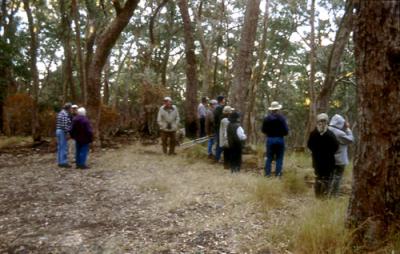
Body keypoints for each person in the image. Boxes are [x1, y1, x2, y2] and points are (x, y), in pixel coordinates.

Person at [307, 113, 339, 198]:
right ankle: (324, 196)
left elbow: (309, 145)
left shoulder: (313, 133)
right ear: (327, 121)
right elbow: (336, 147)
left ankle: (318, 195)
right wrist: (329, 153)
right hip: (328, 161)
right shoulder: (330, 134)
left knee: (318, 177)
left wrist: (315, 151)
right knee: (327, 178)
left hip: (317, 160)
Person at [328, 114, 354, 197]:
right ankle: (333, 195)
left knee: (329, 177)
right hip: (339, 160)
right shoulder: (340, 133)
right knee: (337, 177)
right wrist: (348, 128)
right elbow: (350, 139)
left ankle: (326, 194)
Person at [261, 101, 289, 177]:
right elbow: (286, 131)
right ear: (278, 109)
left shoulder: (266, 119)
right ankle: (278, 175)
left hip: (270, 139)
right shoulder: (282, 119)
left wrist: (269, 133)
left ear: (271, 109)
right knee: (279, 158)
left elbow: (263, 130)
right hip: (280, 139)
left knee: (269, 157)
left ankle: (267, 174)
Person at [56, 102, 72, 168]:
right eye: (71, 108)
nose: (71, 109)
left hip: (58, 130)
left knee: (60, 147)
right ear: (68, 108)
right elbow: (65, 125)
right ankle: (63, 162)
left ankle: (60, 161)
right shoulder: (65, 114)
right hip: (62, 131)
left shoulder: (60, 113)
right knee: (63, 147)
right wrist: (67, 133)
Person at [213, 95, 226, 162]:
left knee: (220, 142)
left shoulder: (218, 107)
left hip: (219, 127)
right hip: (219, 128)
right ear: (221, 100)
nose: (225, 100)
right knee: (220, 143)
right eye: (224, 99)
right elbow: (218, 118)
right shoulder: (219, 108)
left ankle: (217, 157)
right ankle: (217, 158)